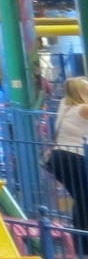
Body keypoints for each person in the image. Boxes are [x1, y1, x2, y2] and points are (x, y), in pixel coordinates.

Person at [46, 76, 88, 247]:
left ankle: (81, 240)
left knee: (81, 197)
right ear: (79, 91)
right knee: (84, 197)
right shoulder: (83, 108)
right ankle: (83, 242)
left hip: (58, 157)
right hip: (74, 157)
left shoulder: (65, 104)